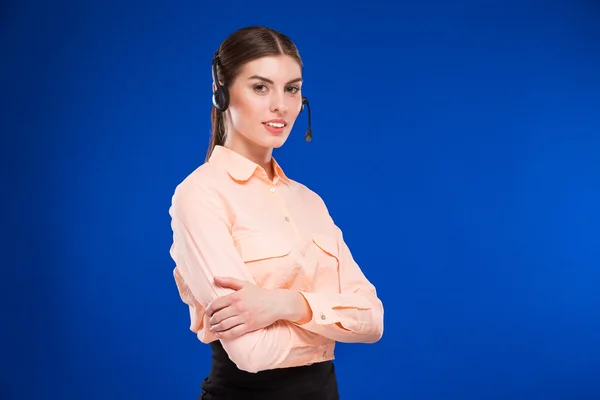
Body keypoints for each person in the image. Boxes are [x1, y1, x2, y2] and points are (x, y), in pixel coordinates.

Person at [169, 26, 384, 400]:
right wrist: (330, 323)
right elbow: (253, 353)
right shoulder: (200, 194)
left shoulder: (309, 201)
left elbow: (372, 319)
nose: (281, 106)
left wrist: (282, 304)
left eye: (292, 88)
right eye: (260, 87)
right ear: (221, 94)